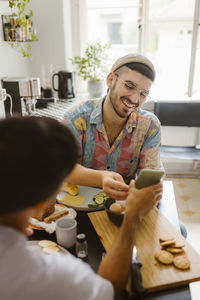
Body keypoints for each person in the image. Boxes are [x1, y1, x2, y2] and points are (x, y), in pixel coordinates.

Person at [0, 116, 163, 300]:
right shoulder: (56, 276)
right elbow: (108, 291)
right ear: (42, 204)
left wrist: (101, 178)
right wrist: (132, 218)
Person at [63, 54, 162, 200]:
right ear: (110, 80)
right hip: (80, 203)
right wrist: (101, 178)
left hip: (124, 204)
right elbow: (63, 169)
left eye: (143, 94)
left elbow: (149, 176)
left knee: (179, 224)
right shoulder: (76, 118)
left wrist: (151, 188)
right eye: (129, 86)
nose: (135, 99)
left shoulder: (150, 126)